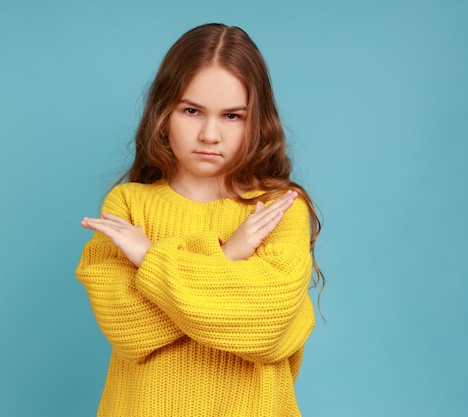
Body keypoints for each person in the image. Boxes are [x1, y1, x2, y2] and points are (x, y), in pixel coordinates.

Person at [75, 23, 324, 416]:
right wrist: (227, 256)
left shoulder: (280, 209)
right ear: (163, 113)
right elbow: (126, 328)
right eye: (192, 111)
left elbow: (267, 325)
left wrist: (149, 259)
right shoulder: (126, 206)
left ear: (257, 120)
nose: (210, 134)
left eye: (232, 116)